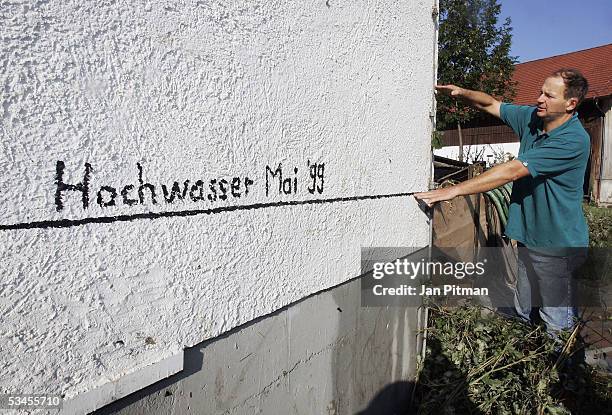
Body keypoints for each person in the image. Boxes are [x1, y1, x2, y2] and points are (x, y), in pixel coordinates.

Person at [415, 68, 590, 337]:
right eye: (540, 92)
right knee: (522, 311)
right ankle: (527, 366)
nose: (539, 99)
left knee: (556, 322)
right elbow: (492, 104)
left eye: (549, 95)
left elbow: (512, 171)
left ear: (570, 104)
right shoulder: (533, 119)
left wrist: (454, 191)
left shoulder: (573, 140)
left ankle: (564, 375)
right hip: (527, 237)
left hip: (557, 246)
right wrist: (462, 94)